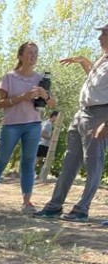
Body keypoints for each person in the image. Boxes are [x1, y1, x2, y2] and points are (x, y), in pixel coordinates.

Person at [34, 24, 108, 222]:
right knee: (69, 161)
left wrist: (106, 123)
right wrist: (84, 62)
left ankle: (81, 209)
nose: (100, 37)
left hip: (100, 114)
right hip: (82, 112)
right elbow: (97, 84)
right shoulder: (103, 59)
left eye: (104, 34)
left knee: (93, 163)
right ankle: (54, 206)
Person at [0, 42, 54, 214]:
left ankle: (27, 202)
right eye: (29, 52)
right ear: (20, 56)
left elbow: (52, 103)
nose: (33, 56)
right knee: (1, 160)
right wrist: (23, 97)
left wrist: (45, 95)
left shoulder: (41, 79)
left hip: (33, 125)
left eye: (35, 52)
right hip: (11, 125)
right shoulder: (9, 78)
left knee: (28, 163)